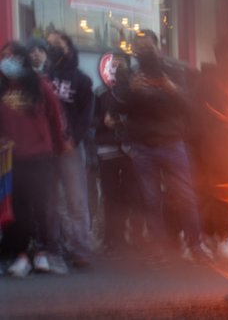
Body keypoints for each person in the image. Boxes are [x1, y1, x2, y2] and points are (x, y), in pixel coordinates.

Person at [115, 30, 212, 264]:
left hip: (172, 144)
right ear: (134, 51)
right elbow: (119, 106)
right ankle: (159, 248)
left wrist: (173, 90)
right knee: (150, 200)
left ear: (158, 48)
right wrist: (131, 91)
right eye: (140, 48)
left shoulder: (175, 73)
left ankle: (195, 245)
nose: (145, 52)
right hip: (142, 146)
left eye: (149, 47)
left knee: (186, 196)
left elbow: (190, 106)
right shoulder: (128, 76)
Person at [0, 41, 70, 276]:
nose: (7, 61)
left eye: (12, 56)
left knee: (42, 208)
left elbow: (55, 117)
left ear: (23, 59)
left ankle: (43, 253)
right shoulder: (2, 88)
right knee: (18, 210)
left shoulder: (40, 85)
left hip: (41, 157)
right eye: (4, 56)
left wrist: (59, 148)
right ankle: (22, 256)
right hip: (14, 160)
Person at [191, 36, 228, 261]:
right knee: (221, 194)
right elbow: (204, 120)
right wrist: (211, 149)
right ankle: (221, 239)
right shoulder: (213, 82)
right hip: (216, 149)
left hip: (225, 148)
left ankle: (207, 237)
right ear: (223, 56)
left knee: (218, 194)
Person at [46, 31, 95, 267]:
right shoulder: (43, 78)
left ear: (68, 46)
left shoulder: (82, 80)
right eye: (49, 45)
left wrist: (73, 140)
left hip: (71, 149)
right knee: (56, 202)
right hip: (46, 150)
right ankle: (65, 247)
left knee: (76, 201)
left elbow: (87, 116)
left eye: (57, 44)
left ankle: (82, 250)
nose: (52, 48)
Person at [93, 51, 144, 257]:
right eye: (114, 65)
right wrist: (103, 123)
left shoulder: (137, 91)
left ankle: (135, 236)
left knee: (133, 195)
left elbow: (144, 117)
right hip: (107, 149)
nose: (117, 68)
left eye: (122, 65)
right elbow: (91, 119)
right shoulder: (99, 92)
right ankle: (112, 238)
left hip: (132, 150)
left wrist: (126, 122)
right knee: (111, 196)